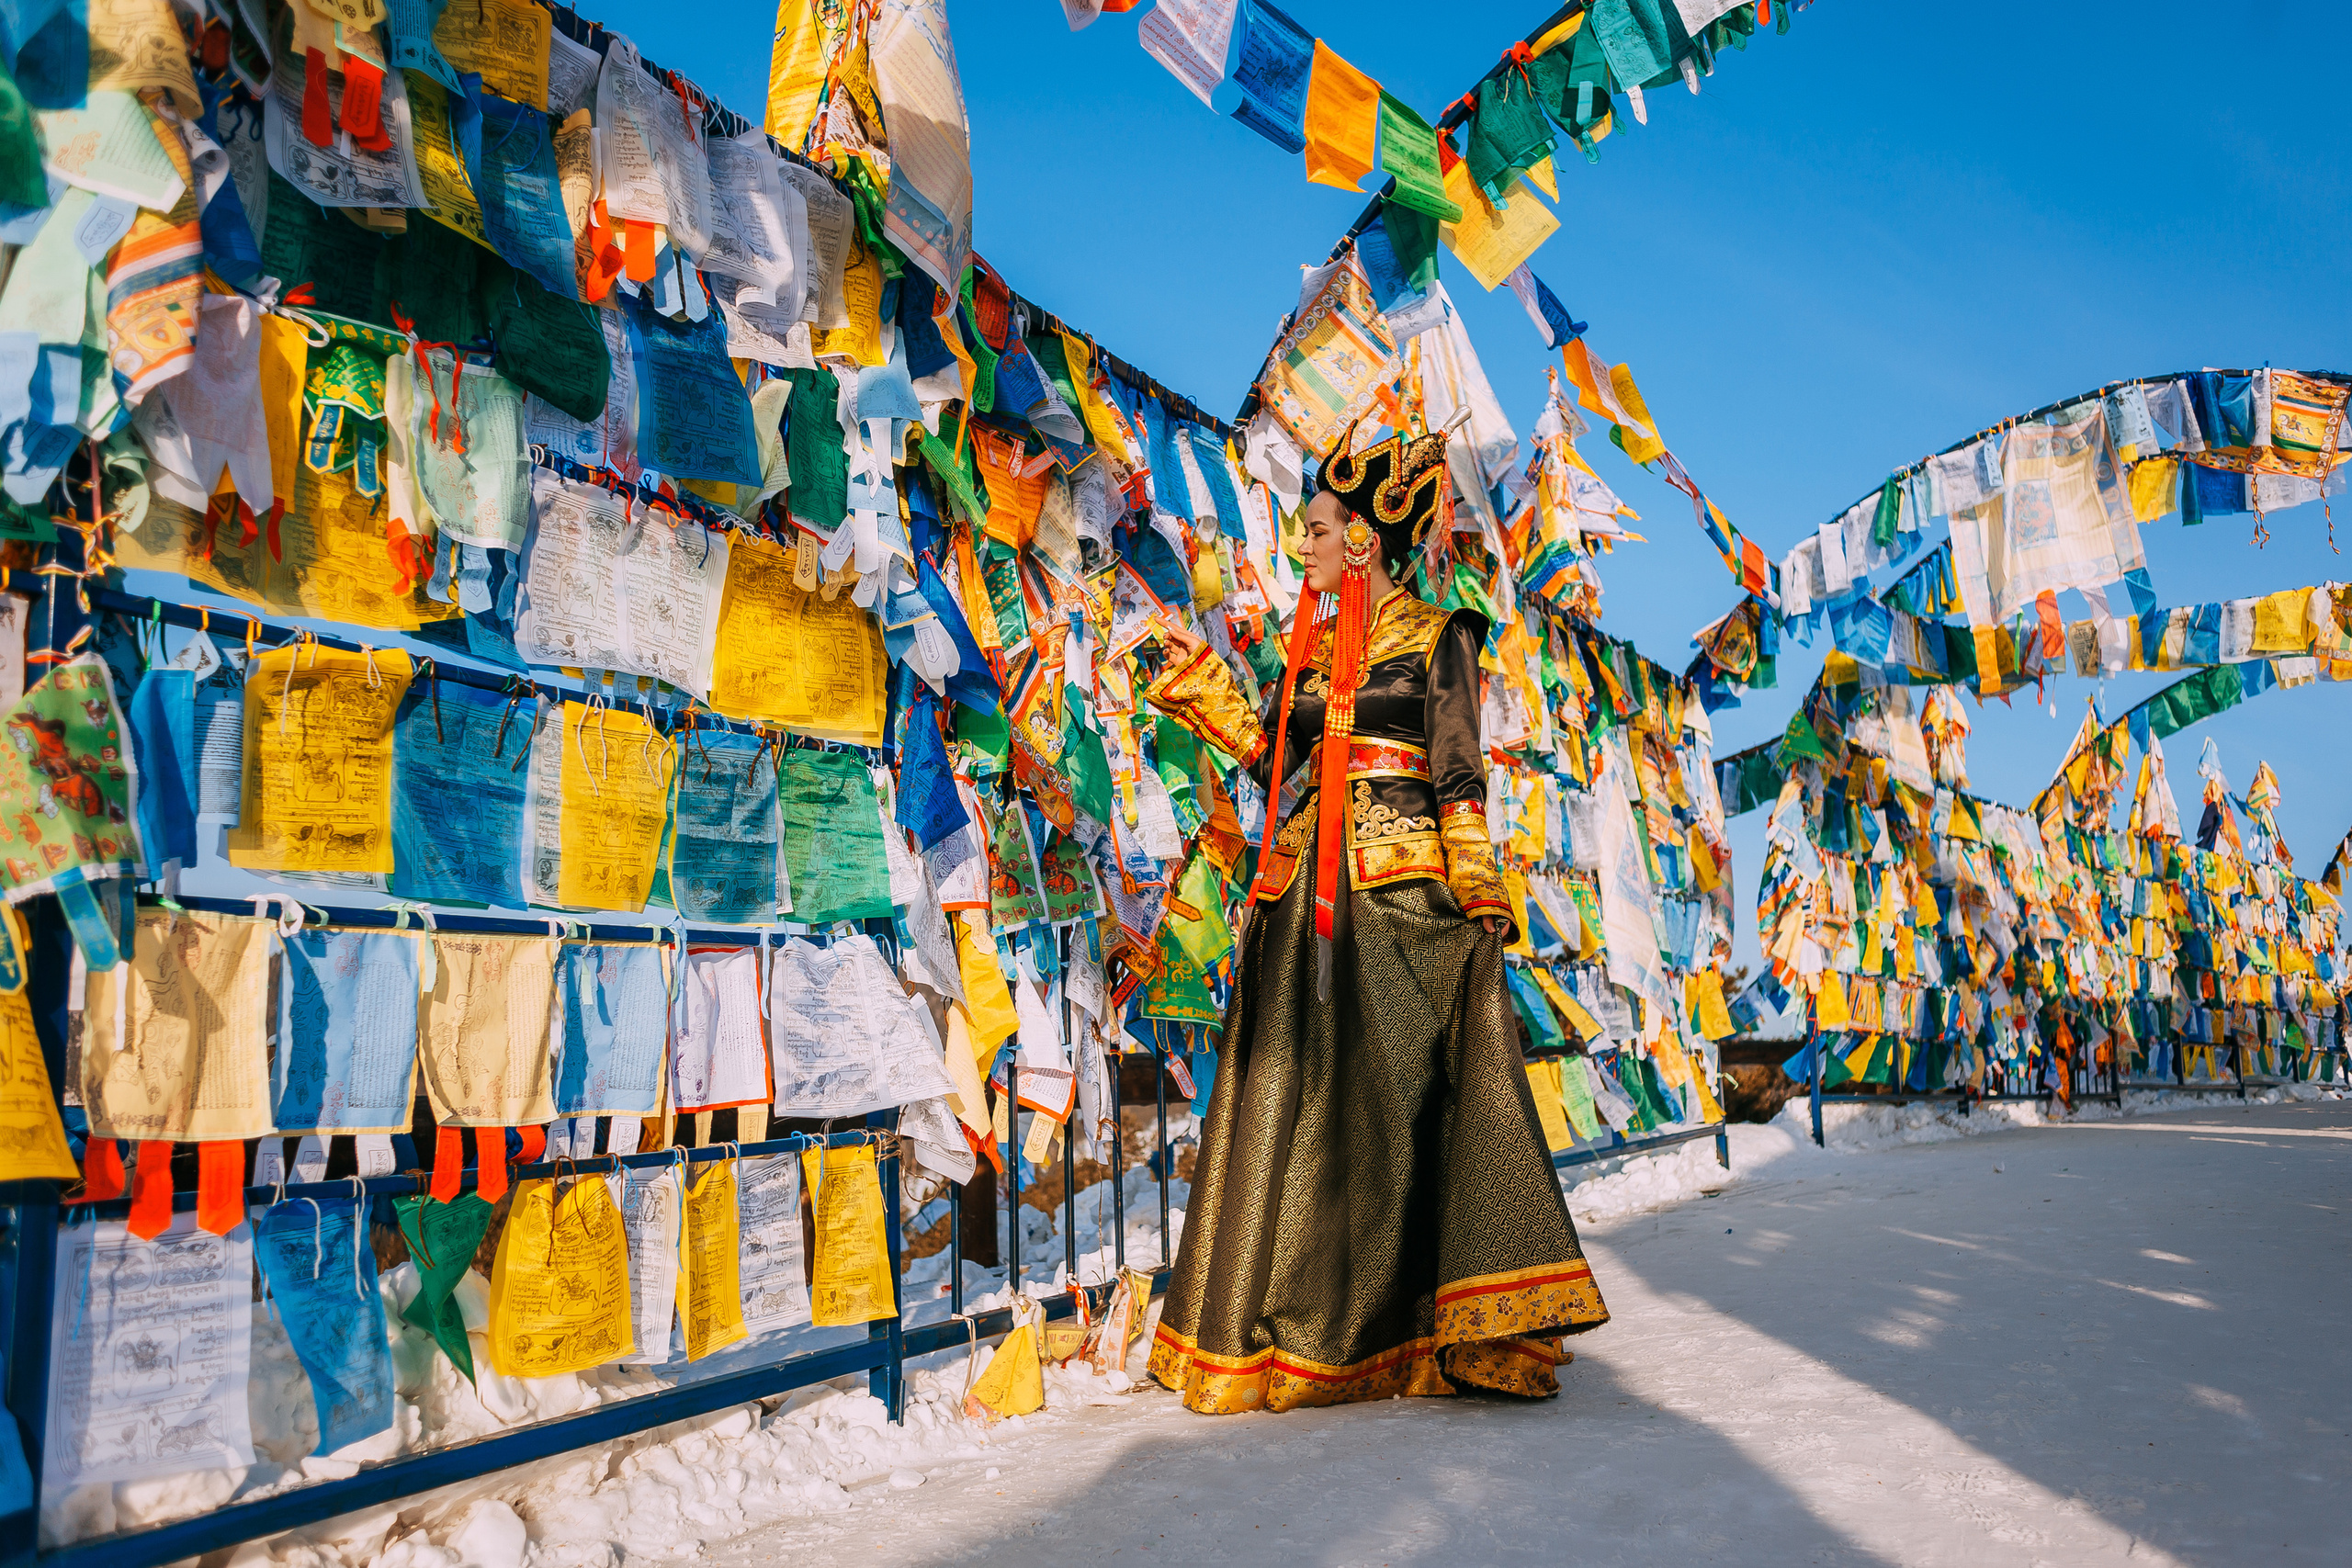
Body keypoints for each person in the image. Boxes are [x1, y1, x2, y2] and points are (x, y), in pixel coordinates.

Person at [1139, 418, 1609, 1416]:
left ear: (1363, 539)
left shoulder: (1441, 638)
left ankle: (1424, 1326)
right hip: (1298, 902)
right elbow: (1272, 754)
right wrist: (1194, 677)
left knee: (1396, 1112)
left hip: (1399, 899)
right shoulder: (1304, 655)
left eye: (1313, 530)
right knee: (1295, 1114)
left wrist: (1478, 898)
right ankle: (1291, 1329)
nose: (1300, 547)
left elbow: (1455, 774)